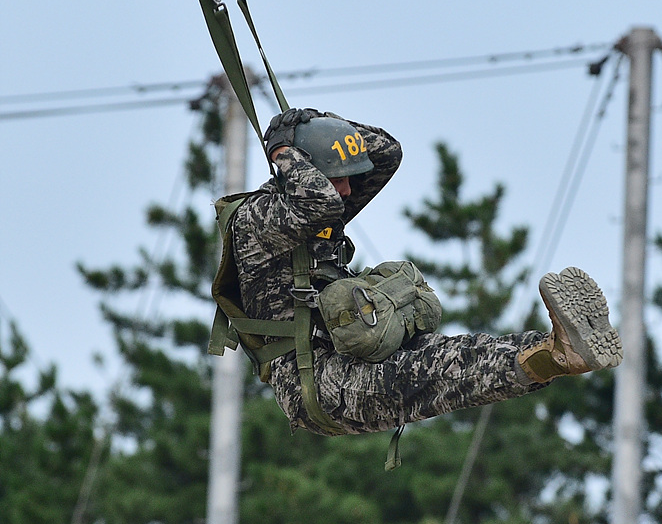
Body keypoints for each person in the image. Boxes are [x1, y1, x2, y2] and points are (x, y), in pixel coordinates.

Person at [230, 108, 623, 438]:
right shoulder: (258, 220)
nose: (348, 190)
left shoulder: (318, 205)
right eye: (338, 178)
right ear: (301, 173)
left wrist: (320, 124)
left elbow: (387, 154)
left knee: (454, 355)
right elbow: (318, 202)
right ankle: (554, 355)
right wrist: (285, 149)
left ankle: (553, 353)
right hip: (312, 383)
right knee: (427, 375)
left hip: (345, 351)